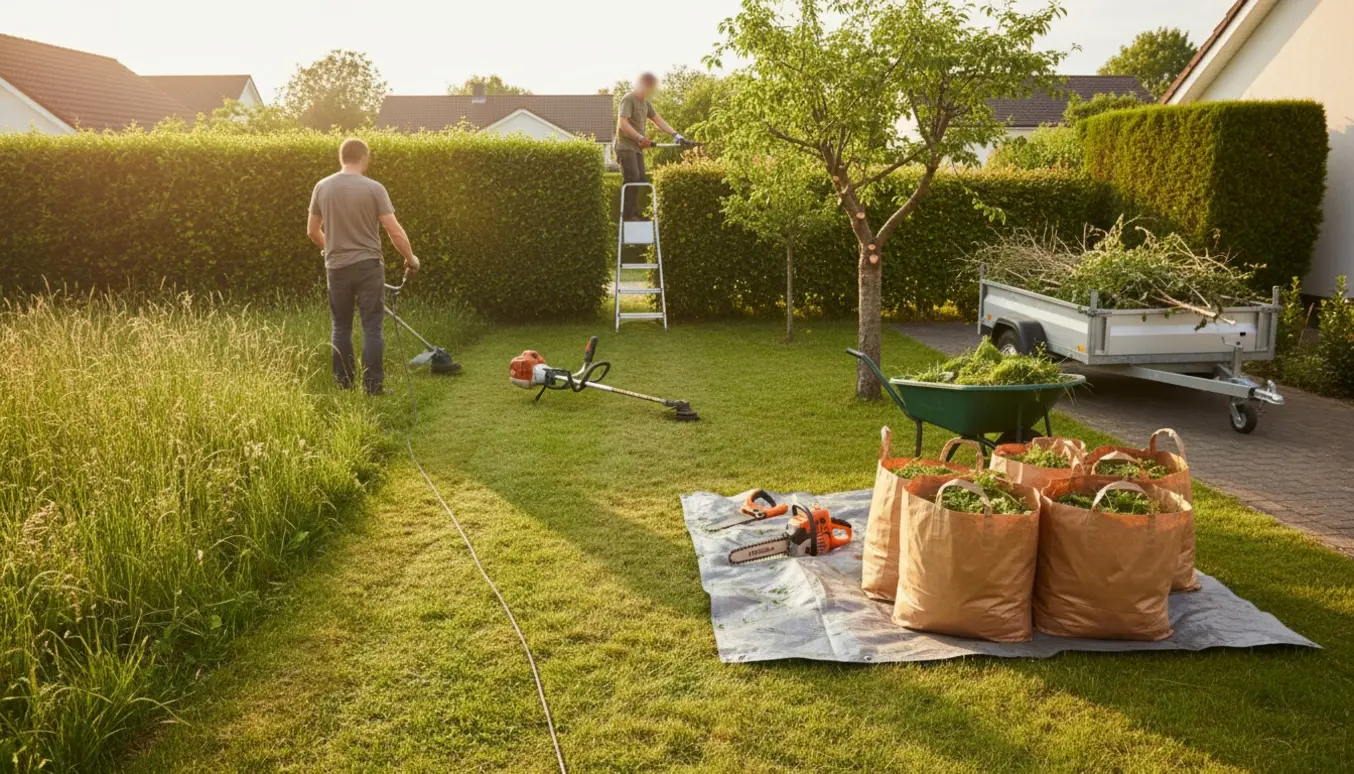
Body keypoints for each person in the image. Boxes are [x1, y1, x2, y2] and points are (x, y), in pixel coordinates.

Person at [307, 137, 420, 395]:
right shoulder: (374, 188)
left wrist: (330, 247)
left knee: (341, 326)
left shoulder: (322, 187)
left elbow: (312, 231)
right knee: (372, 327)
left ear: (341, 157)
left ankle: (344, 385)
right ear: (364, 158)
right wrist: (411, 259)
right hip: (368, 266)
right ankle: (373, 387)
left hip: (336, 268)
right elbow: (394, 231)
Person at [614, 72, 689, 221]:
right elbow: (623, 123)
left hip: (637, 147)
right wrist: (641, 138)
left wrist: (676, 135)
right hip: (625, 145)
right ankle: (629, 216)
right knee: (633, 178)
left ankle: (636, 212)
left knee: (641, 179)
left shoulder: (645, 103)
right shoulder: (629, 99)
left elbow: (657, 120)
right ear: (642, 85)